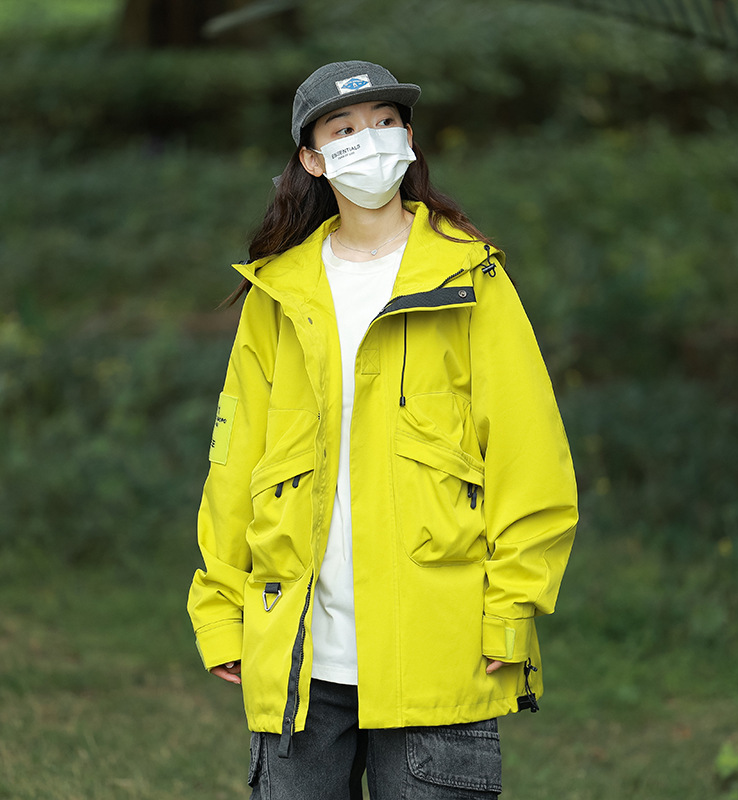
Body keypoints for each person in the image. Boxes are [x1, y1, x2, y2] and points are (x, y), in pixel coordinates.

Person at [187, 60, 578, 800]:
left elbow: (530, 457)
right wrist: (219, 608)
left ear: (409, 139)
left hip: (439, 648)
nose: (369, 141)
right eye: (344, 129)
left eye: (385, 122)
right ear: (312, 160)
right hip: (301, 656)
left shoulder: (471, 278)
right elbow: (234, 464)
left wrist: (512, 608)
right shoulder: (278, 293)